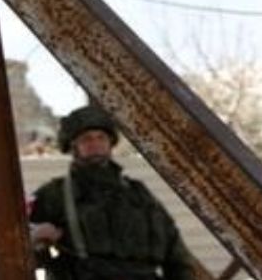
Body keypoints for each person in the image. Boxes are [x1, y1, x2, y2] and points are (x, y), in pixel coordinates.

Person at [28, 105, 194, 280]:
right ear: (73, 146)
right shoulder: (54, 195)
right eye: (87, 139)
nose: (96, 144)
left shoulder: (137, 194)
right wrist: (37, 238)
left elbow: (175, 254)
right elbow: (16, 250)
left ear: (110, 143)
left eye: (101, 138)